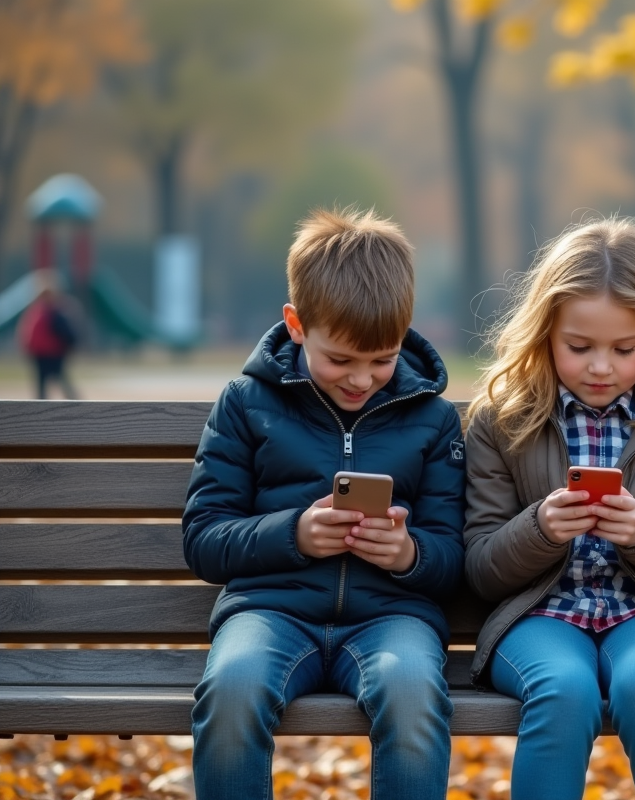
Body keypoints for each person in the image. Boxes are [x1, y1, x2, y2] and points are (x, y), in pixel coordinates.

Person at [182, 208, 466, 800]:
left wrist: (408, 553)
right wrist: (296, 534)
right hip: (271, 610)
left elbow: (454, 557)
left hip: (394, 617)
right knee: (233, 688)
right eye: (340, 359)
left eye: (382, 360)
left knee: (413, 692)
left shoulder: (434, 420)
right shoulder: (244, 403)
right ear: (296, 325)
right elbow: (205, 538)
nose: (362, 379)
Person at [463, 217, 635, 800]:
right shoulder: (502, 421)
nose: (601, 366)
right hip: (539, 615)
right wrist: (539, 529)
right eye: (579, 347)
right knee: (562, 691)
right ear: (546, 334)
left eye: (624, 349)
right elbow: (481, 567)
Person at [17, 271, 80, 399]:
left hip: (50, 354)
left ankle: (74, 402)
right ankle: (44, 406)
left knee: (56, 381)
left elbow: (65, 332)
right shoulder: (44, 312)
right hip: (44, 354)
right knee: (48, 383)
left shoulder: (47, 313)